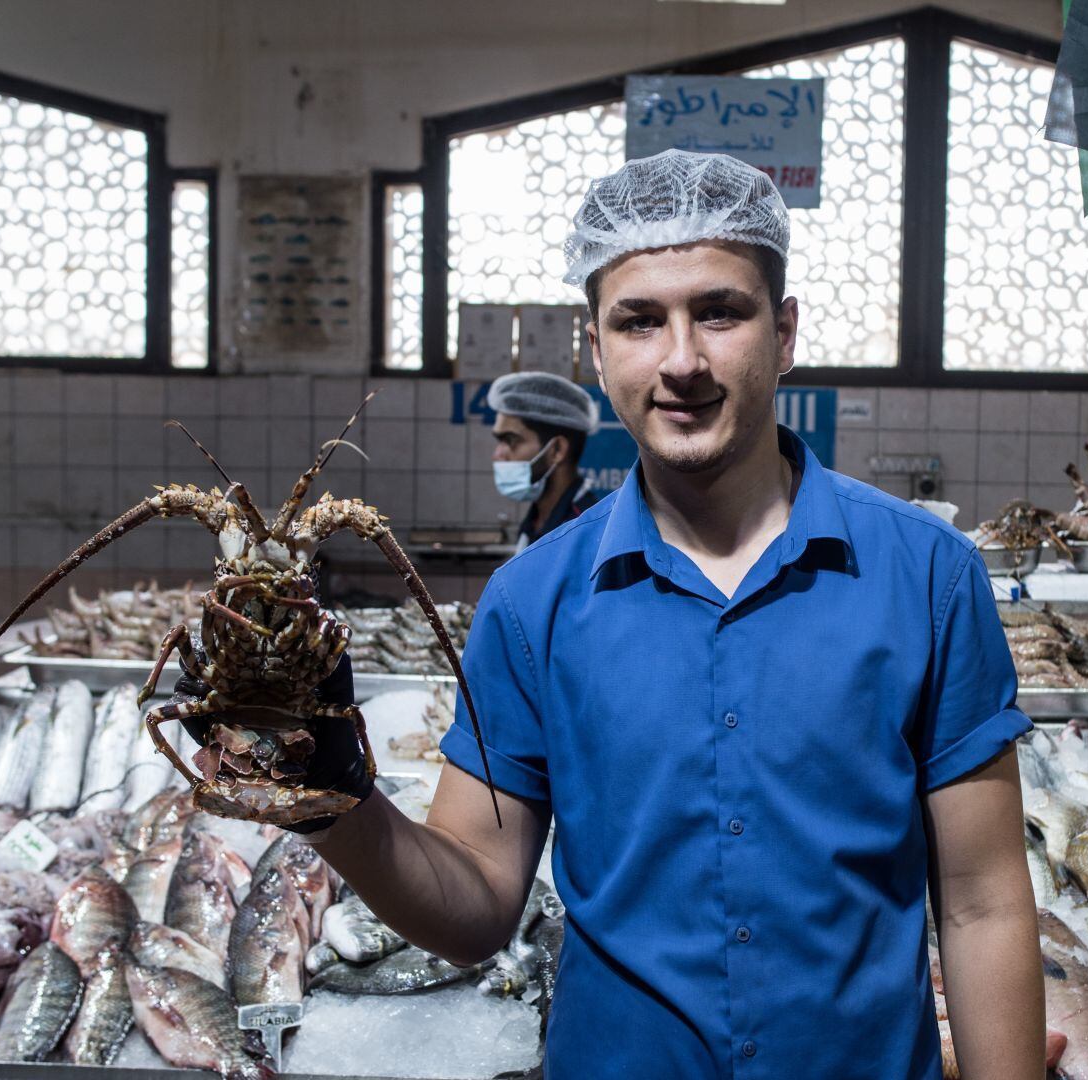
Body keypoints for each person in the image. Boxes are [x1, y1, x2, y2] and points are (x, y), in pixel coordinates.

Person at [207, 150, 1044, 1079]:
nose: (681, 360)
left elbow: (982, 901)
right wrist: (339, 802)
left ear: (786, 331)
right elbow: (479, 902)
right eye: (639, 321)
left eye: (719, 311)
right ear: (598, 352)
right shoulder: (533, 604)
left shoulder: (927, 576)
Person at [485, 370, 601, 553]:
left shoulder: (587, 530)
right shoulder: (536, 521)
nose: (497, 454)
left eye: (510, 440)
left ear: (556, 450)